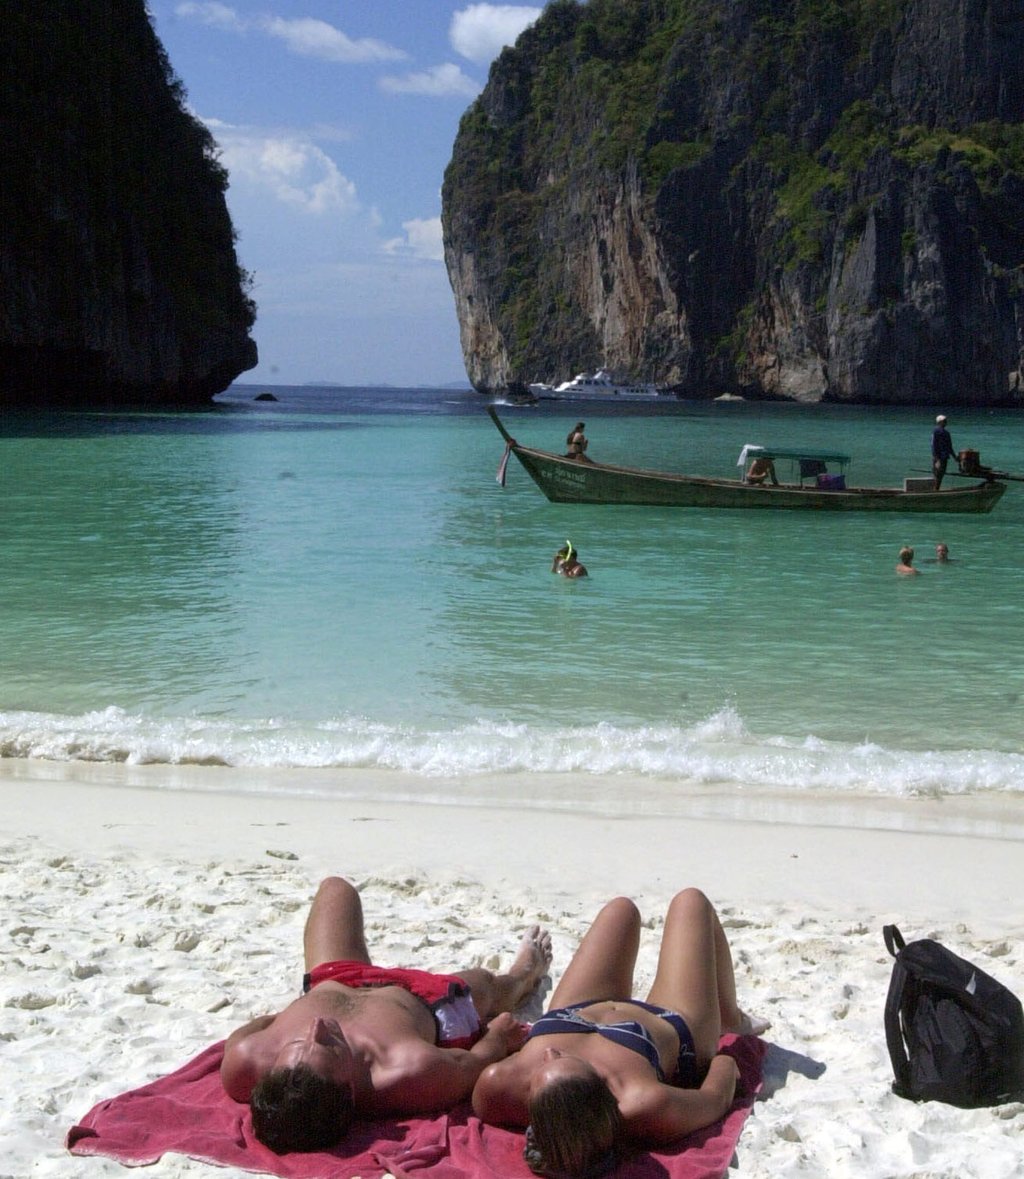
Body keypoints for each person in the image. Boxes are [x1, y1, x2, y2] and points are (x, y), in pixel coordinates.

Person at [221, 875, 552, 1154]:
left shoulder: (244, 1061)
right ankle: (526, 972)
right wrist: (498, 1036)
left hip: (336, 978)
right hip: (428, 1000)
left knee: (336, 889)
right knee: (488, 985)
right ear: (349, 1090)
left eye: (296, 1041)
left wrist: (286, 1019)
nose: (316, 1027)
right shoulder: (406, 1071)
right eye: (326, 1044)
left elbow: (261, 1023)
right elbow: (472, 1066)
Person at [472, 888, 768, 1179]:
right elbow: (715, 1096)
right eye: (561, 1059)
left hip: (572, 1013)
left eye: (545, 1063)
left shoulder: (497, 1088)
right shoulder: (643, 1103)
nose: (549, 1053)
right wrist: (724, 1061)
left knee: (621, 909)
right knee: (690, 902)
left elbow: (479, 1053)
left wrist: (496, 1035)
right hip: (671, 1023)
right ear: (604, 1092)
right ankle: (731, 1017)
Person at [931, 415, 957, 490]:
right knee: (938, 474)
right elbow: (934, 445)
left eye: (946, 420)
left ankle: (936, 489)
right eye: (944, 421)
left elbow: (949, 446)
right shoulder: (936, 431)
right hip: (939, 457)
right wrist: (937, 458)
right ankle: (935, 490)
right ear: (939, 422)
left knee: (940, 474)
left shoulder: (946, 433)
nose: (946, 422)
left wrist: (954, 457)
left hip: (944, 457)